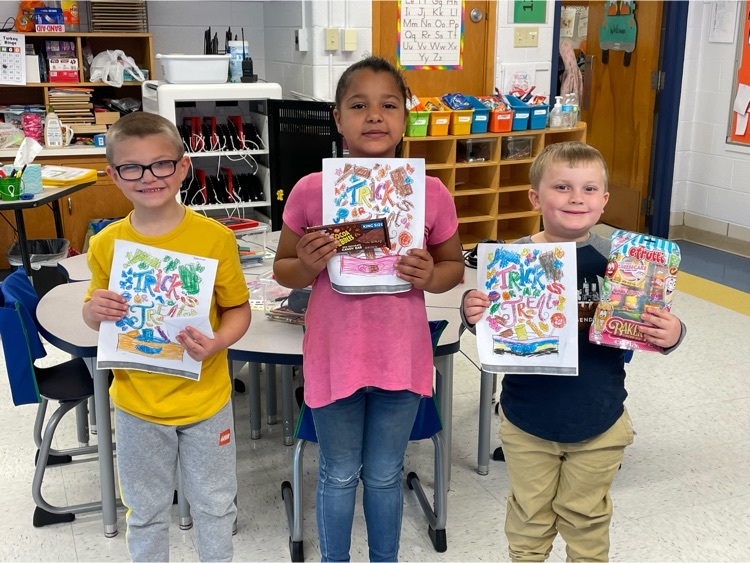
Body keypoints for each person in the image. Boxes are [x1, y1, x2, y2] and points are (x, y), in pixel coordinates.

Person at [273, 56, 464, 562]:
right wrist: (308, 262)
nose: (374, 116)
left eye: (388, 105)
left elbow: (452, 269)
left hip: (401, 357)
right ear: (337, 118)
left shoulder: (430, 193)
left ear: (405, 118)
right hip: (336, 356)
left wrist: (431, 275)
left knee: (384, 474)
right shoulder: (312, 191)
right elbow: (284, 270)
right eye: (359, 105)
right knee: (337, 472)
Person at [461, 142, 686, 562]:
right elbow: (492, 327)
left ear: (603, 200)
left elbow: (656, 326)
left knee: (587, 519)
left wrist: (671, 333)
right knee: (529, 518)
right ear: (535, 197)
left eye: (588, 189)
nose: (576, 198)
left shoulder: (621, 262)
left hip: (599, 419)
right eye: (562, 187)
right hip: (528, 419)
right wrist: (474, 314)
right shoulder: (512, 260)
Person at [82, 112, 251, 562]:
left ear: (182, 166)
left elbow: (237, 309)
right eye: (132, 168)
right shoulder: (105, 244)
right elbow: (94, 313)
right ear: (114, 175)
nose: (148, 177)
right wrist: (93, 310)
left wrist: (217, 342)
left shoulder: (214, 239)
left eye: (161, 164)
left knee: (215, 506)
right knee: (146, 510)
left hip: (205, 400)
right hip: (137, 403)